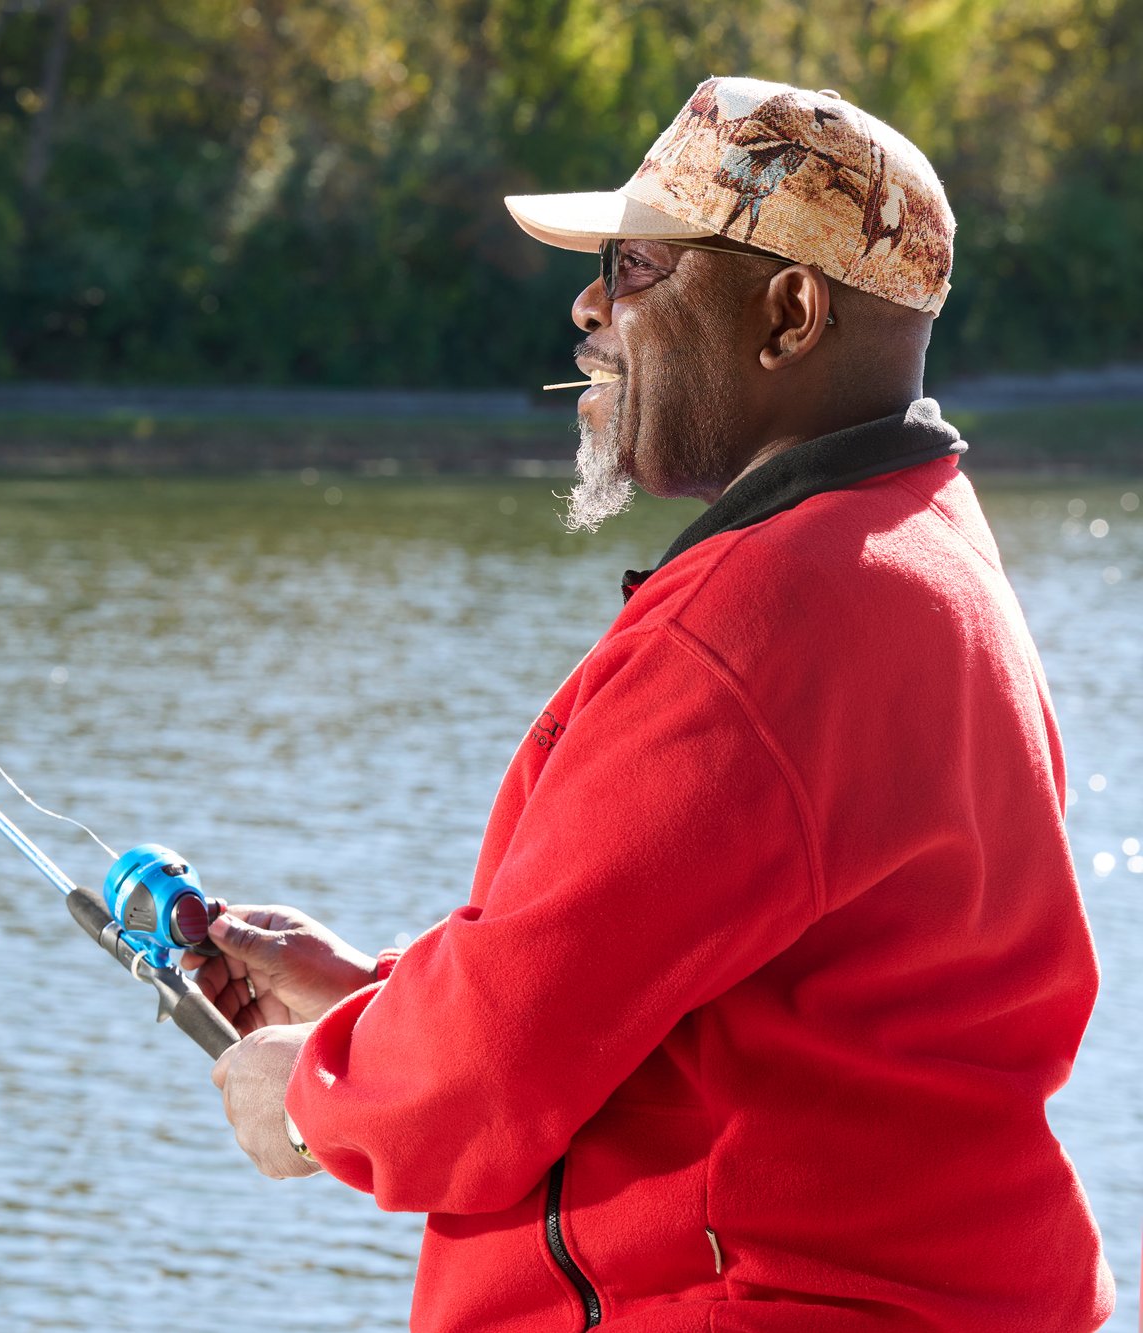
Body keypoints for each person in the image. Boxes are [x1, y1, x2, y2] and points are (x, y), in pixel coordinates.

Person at [188, 77, 1117, 1331]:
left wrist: (309, 1098)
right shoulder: (924, 546)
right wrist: (372, 992)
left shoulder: (757, 623)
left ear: (788, 312)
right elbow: (699, 968)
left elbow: (484, 1073)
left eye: (634, 267)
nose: (586, 307)